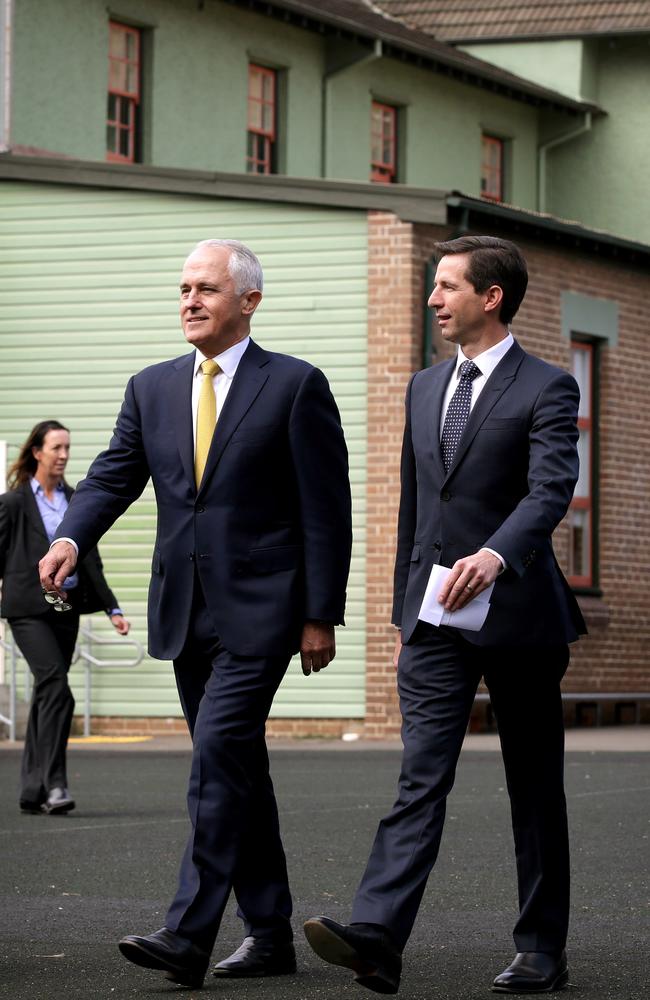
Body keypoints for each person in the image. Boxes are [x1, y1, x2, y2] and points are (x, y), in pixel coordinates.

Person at [39, 239, 352, 989]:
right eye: (183, 288)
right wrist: (71, 537)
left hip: (265, 610)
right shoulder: (150, 388)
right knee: (237, 767)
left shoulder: (295, 386)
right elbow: (113, 475)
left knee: (216, 754)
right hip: (184, 611)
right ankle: (271, 933)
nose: (189, 300)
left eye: (206, 288)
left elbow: (324, 511)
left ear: (248, 301)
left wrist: (320, 615)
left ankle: (189, 934)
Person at [304, 236, 586, 995]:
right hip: (433, 622)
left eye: (448, 286)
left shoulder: (549, 387)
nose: (434, 298)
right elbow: (414, 510)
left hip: (522, 615)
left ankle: (541, 947)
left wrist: (496, 556)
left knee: (533, 786)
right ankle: (377, 937)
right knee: (419, 778)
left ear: (490, 297)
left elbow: (550, 490)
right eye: (434, 287)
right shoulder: (424, 387)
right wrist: (405, 617)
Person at [0, 420, 130, 815]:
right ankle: (55, 784)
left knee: (47, 690)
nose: (63, 455)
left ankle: (31, 787)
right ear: (37, 452)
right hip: (26, 610)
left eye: (67, 448)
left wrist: (113, 608)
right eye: (56, 447)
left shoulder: (75, 499)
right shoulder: (14, 502)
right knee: (57, 685)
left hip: (66, 608)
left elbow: (89, 559)